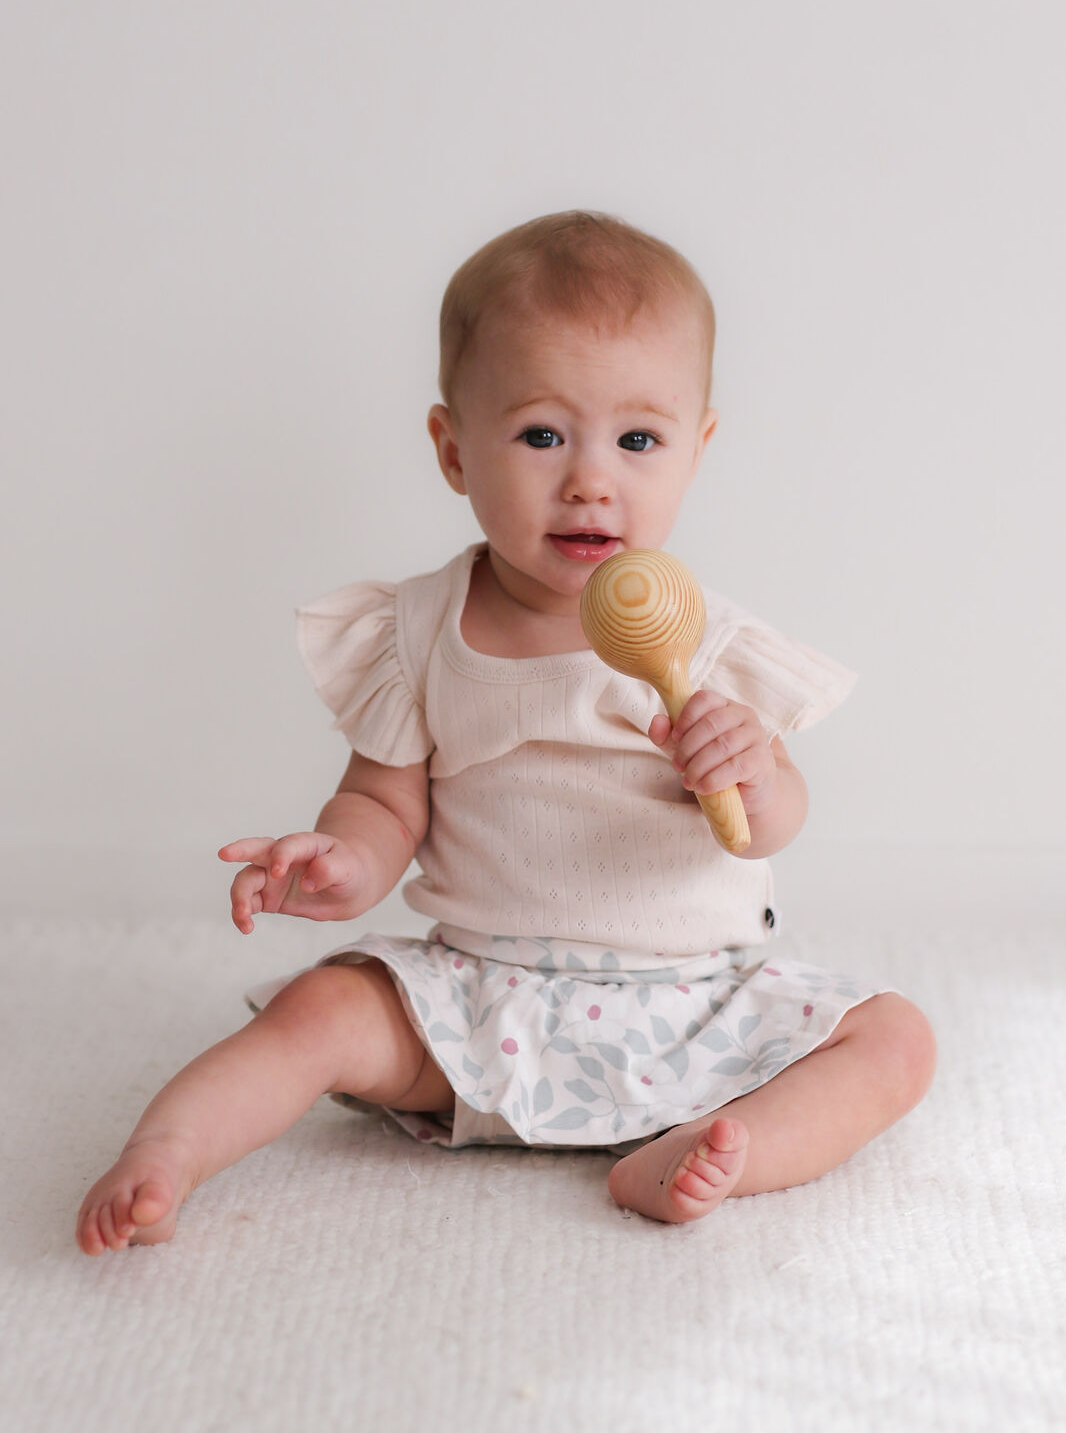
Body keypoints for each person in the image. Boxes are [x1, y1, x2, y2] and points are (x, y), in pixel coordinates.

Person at [76, 210, 936, 1253]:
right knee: (318, 1011)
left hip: (696, 1006)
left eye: (638, 440)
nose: (589, 479)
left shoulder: (706, 643)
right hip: (477, 1002)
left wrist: (752, 776)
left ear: (695, 449)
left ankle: (721, 1145)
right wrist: (345, 860)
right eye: (540, 436)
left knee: (894, 1041)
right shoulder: (419, 631)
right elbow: (383, 800)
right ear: (453, 450)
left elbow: (769, 823)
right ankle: (165, 1152)